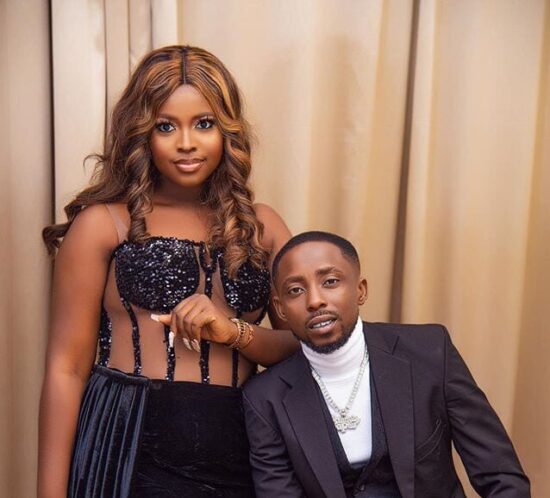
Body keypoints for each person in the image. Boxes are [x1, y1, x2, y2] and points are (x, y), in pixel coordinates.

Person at [38, 45, 298, 498]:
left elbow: (305, 348)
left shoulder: (264, 227)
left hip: (242, 448)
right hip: (125, 443)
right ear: (141, 133)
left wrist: (233, 332)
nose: (186, 142)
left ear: (228, 131)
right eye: (165, 126)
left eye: (204, 123)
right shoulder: (104, 224)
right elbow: (66, 369)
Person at [243, 231, 530, 497]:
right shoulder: (265, 398)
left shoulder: (430, 353)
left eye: (330, 282)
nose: (315, 301)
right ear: (280, 308)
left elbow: (501, 476)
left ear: (360, 290)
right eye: (296, 290)